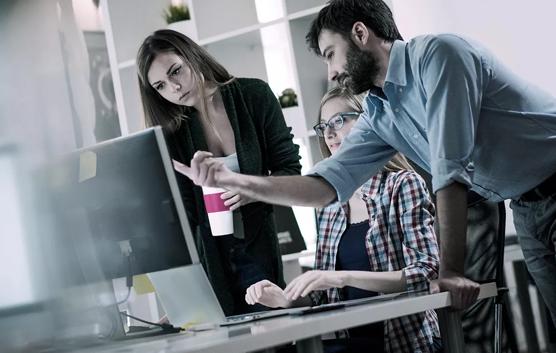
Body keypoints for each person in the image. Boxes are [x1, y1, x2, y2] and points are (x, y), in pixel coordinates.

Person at [174, 0, 556, 322]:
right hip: (526, 205)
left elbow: (449, 168)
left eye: (330, 55)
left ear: (360, 34)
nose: (332, 73)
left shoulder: (439, 55)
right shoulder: (380, 111)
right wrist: (238, 181)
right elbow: (324, 187)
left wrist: (451, 271)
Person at [245, 87, 441, 353]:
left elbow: (425, 272)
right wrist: (285, 299)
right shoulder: (328, 203)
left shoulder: (403, 185)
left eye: (340, 120)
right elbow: (322, 297)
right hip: (346, 344)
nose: (329, 133)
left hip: (404, 341)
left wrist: (342, 277)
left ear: (368, 120)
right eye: (324, 126)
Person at [136, 29, 302, 315]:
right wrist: (182, 295)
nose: (174, 88)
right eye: (160, 86)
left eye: (176, 71)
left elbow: (291, 171)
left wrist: (250, 189)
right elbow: (184, 215)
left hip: (258, 247)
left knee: (273, 334)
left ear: (192, 56)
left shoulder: (254, 96)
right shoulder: (173, 133)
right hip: (211, 260)